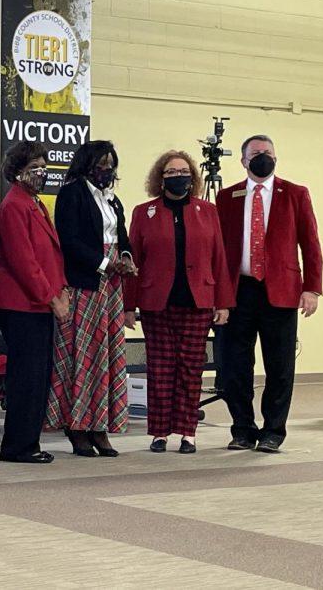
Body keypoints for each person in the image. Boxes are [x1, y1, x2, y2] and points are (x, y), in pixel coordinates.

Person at [216, 134, 322, 453]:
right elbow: (217, 251)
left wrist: (312, 288)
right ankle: (242, 429)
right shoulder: (227, 197)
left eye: (268, 152)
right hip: (239, 291)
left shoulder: (295, 193)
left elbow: (311, 243)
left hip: (281, 291)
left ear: (276, 157)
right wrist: (217, 296)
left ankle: (274, 430)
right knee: (235, 365)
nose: (263, 157)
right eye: (256, 153)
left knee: (279, 366)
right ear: (244, 160)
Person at [124, 151, 233, 454]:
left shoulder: (207, 211)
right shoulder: (143, 212)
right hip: (156, 303)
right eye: (171, 172)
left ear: (193, 177)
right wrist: (128, 306)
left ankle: (188, 432)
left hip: (198, 301)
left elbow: (219, 258)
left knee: (190, 369)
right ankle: (159, 432)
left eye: (183, 171)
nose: (178, 176)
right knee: (160, 369)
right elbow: (134, 260)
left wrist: (223, 302)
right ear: (161, 178)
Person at [47, 140, 136, 458]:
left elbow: (121, 235)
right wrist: (104, 263)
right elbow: (68, 241)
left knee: (107, 356)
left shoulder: (113, 199)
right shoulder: (72, 193)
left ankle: (101, 426)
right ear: (86, 164)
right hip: (86, 282)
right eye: (100, 163)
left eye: (111, 163)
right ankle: (79, 427)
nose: (106, 169)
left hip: (112, 286)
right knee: (85, 356)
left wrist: (125, 256)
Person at [0, 141, 69, 464]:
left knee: (38, 375)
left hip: (35, 302)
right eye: (34, 167)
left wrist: (59, 290)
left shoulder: (33, 202)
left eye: (44, 165)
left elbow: (50, 255)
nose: (41, 172)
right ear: (17, 171)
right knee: (27, 376)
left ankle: (28, 442)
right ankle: (18, 446)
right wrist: (51, 298)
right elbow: (24, 262)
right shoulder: (14, 206)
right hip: (21, 303)